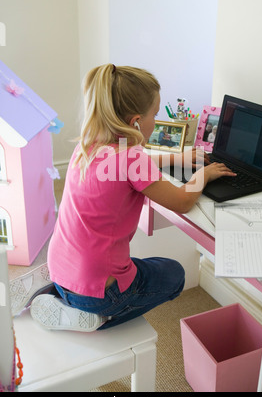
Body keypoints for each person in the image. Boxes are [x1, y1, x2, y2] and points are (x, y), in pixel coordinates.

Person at [10, 64, 236, 332]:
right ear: (136, 122)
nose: (156, 120)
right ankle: (94, 317)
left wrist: (178, 157)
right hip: (97, 294)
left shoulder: (90, 143)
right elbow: (182, 201)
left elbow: (133, 164)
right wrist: (205, 174)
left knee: (150, 267)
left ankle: (56, 288)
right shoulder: (132, 157)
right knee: (174, 274)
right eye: (154, 114)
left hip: (62, 265)